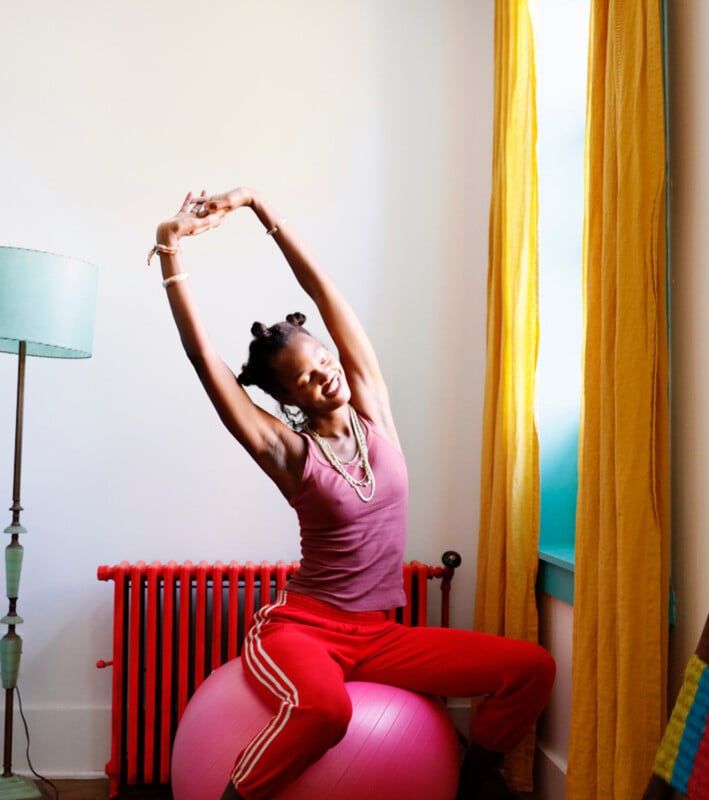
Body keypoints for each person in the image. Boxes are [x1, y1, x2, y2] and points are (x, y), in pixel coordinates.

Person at [152, 187, 555, 800]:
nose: (324, 374)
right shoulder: (288, 452)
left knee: (530, 669)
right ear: (289, 399)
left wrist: (262, 209)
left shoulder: (374, 412)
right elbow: (206, 363)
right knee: (327, 714)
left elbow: (325, 296)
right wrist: (169, 249)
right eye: (306, 378)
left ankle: (476, 779)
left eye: (322, 359)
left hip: (380, 634)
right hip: (303, 629)